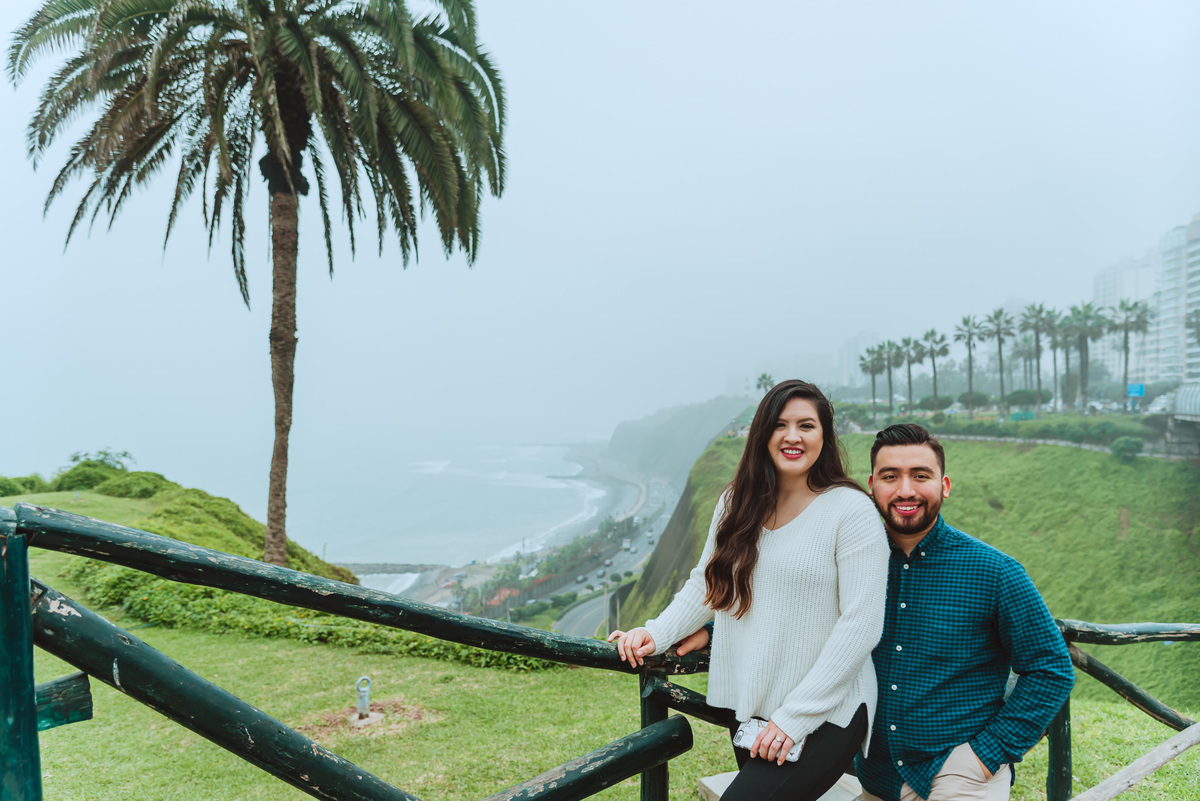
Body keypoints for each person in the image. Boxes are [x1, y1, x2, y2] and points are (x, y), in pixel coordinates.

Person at [681, 423, 1075, 800]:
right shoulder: (846, 557)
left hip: (958, 773)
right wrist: (715, 634)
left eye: (921, 476)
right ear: (870, 487)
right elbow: (794, 617)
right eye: (890, 476)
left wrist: (985, 755)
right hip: (877, 773)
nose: (906, 490)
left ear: (945, 485)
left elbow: (1051, 669)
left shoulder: (993, 572)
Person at [608, 380, 888, 801]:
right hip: (754, 703)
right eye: (780, 425)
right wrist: (656, 633)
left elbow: (861, 626)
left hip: (828, 710)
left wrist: (794, 718)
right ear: (762, 434)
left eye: (806, 425)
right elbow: (707, 582)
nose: (792, 436)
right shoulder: (736, 503)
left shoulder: (851, 511)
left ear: (825, 436)